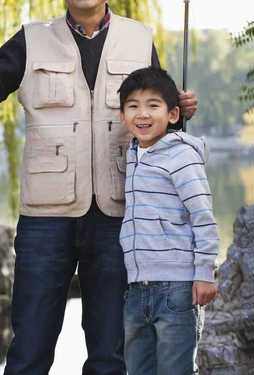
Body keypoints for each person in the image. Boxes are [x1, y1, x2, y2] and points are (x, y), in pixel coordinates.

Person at [0, 0, 198, 375]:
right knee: (30, 349)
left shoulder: (138, 39)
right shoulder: (31, 39)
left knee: (112, 355)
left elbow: (153, 124)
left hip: (118, 216)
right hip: (44, 221)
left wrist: (179, 113)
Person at [118, 66, 219, 375]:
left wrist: (204, 272)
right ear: (123, 116)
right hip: (136, 287)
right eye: (133, 106)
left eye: (153, 105)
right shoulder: (134, 154)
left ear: (173, 114)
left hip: (176, 288)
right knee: (137, 370)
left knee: (176, 370)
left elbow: (203, 217)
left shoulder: (181, 157)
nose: (142, 114)